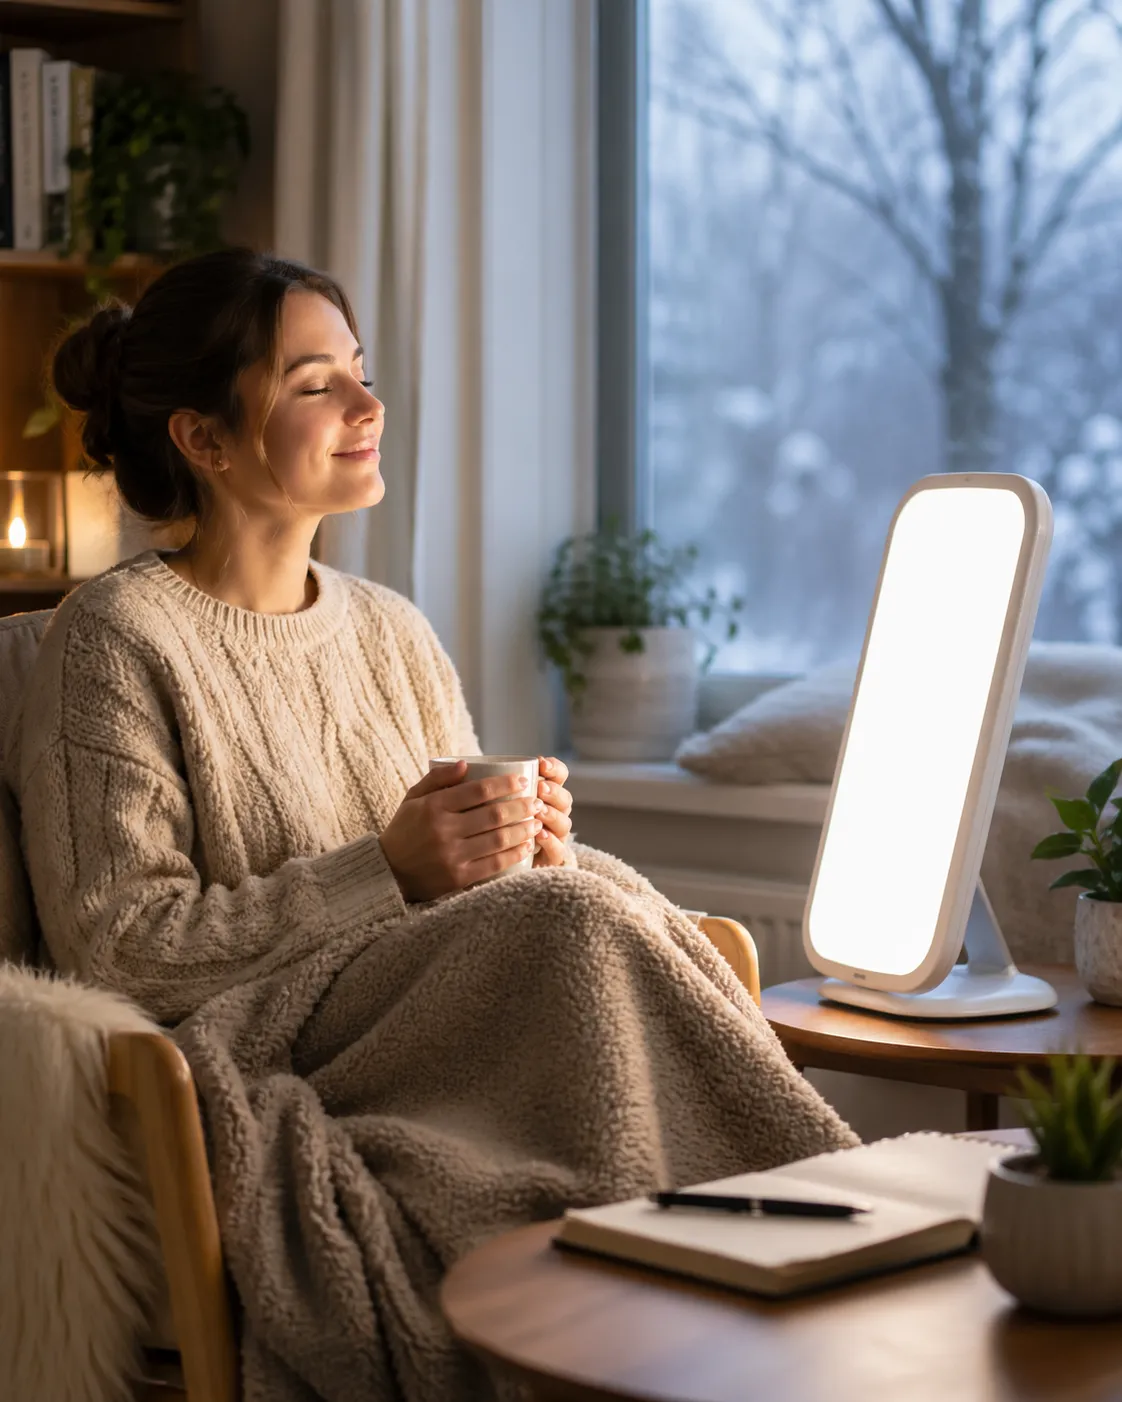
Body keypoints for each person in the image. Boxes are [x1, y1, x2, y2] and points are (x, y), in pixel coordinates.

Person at [16, 249, 855, 1402]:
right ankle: (808, 1262)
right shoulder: (113, 639)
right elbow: (116, 947)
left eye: (359, 373)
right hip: (268, 1043)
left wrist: (524, 844)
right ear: (204, 441)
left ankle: (801, 1270)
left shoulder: (393, 631)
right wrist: (391, 871)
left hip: (442, 1025)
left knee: (587, 900)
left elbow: (466, 903)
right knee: (568, 921)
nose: (369, 406)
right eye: (316, 384)